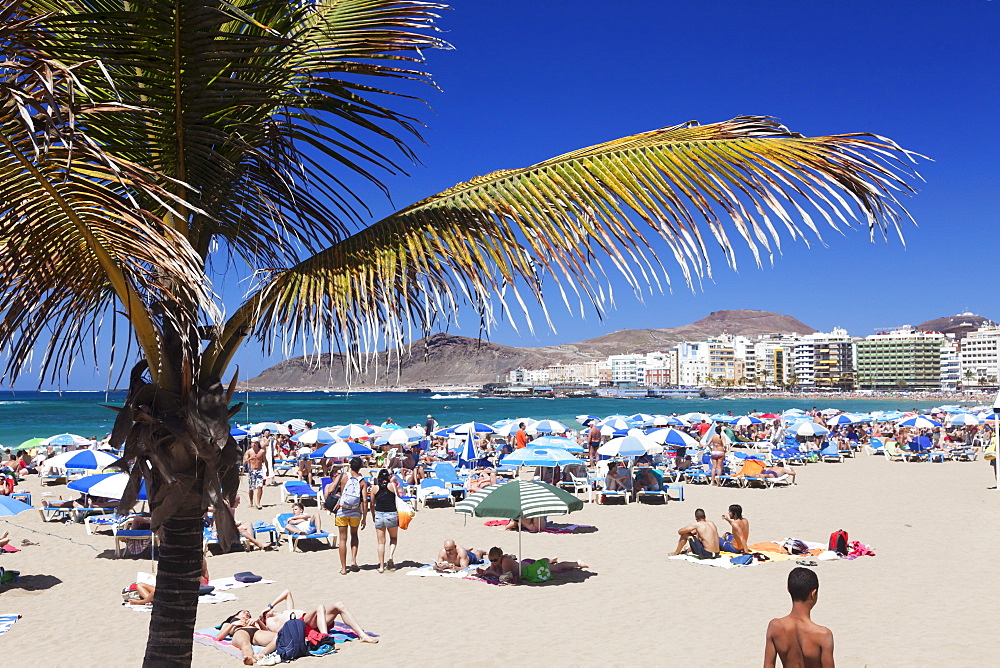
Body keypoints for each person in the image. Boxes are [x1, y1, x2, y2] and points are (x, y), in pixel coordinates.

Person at [764, 567, 835, 667]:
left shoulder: (774, 626)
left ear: (789, 590)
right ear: (813, 593)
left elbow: (768, 665)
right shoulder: (823, 635)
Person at [258, 589, 378, 644]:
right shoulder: (271, 620)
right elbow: (281, 631)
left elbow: (287, 592)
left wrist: (270, 605)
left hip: (315, 622)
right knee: (319, 607)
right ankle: (325, 637)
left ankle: (362, 635)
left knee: (339, 605)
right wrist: (266, 617)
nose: (267, 612)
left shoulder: (286, 611)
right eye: (264, 614)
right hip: (302, 624)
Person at [475, 546, 588, 584]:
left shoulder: (505, 560)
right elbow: (492, 569)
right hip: (525, 564)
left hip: (531, 569)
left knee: (556, 568)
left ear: (501, 556)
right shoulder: (495, 561)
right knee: (543, 561)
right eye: (491, 560)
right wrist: (484, 572)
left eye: (495, 559)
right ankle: (550, 559)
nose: (493, 562)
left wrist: (490, 572)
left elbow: (505, 577)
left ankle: (576, 563)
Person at [333, 457, 368, 575]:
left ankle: (343, 568)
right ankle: (353, 560)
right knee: (354, 535)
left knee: (342, 539)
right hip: (355, 512)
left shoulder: (342, 476)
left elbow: (331, 489)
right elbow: (364, 500)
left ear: (350, 465)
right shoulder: (362, 481)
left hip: (342, 510)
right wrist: (364, 517)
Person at [368, 469, 400, 572]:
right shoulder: (392, 486)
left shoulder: (374, 488)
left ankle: (381, 567)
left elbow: (372, 504)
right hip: (391, 514)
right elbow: (398, 500)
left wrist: (373, 515)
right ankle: (390, 557)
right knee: (393, 538)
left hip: (379, 514)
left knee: (381, 543)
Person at [243, 439, 267, 509]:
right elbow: (244, 462)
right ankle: (251, 502)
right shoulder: (249, 451)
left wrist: (268, 470)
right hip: (251, 471)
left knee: (260, 486)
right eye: (252, 443)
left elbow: (265, 460)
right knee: (251, 487)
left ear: (257, 443)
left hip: (259, 470)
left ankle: (258, 503)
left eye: (255, 443)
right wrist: (250, 458)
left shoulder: (262, 451)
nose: (254, 444)